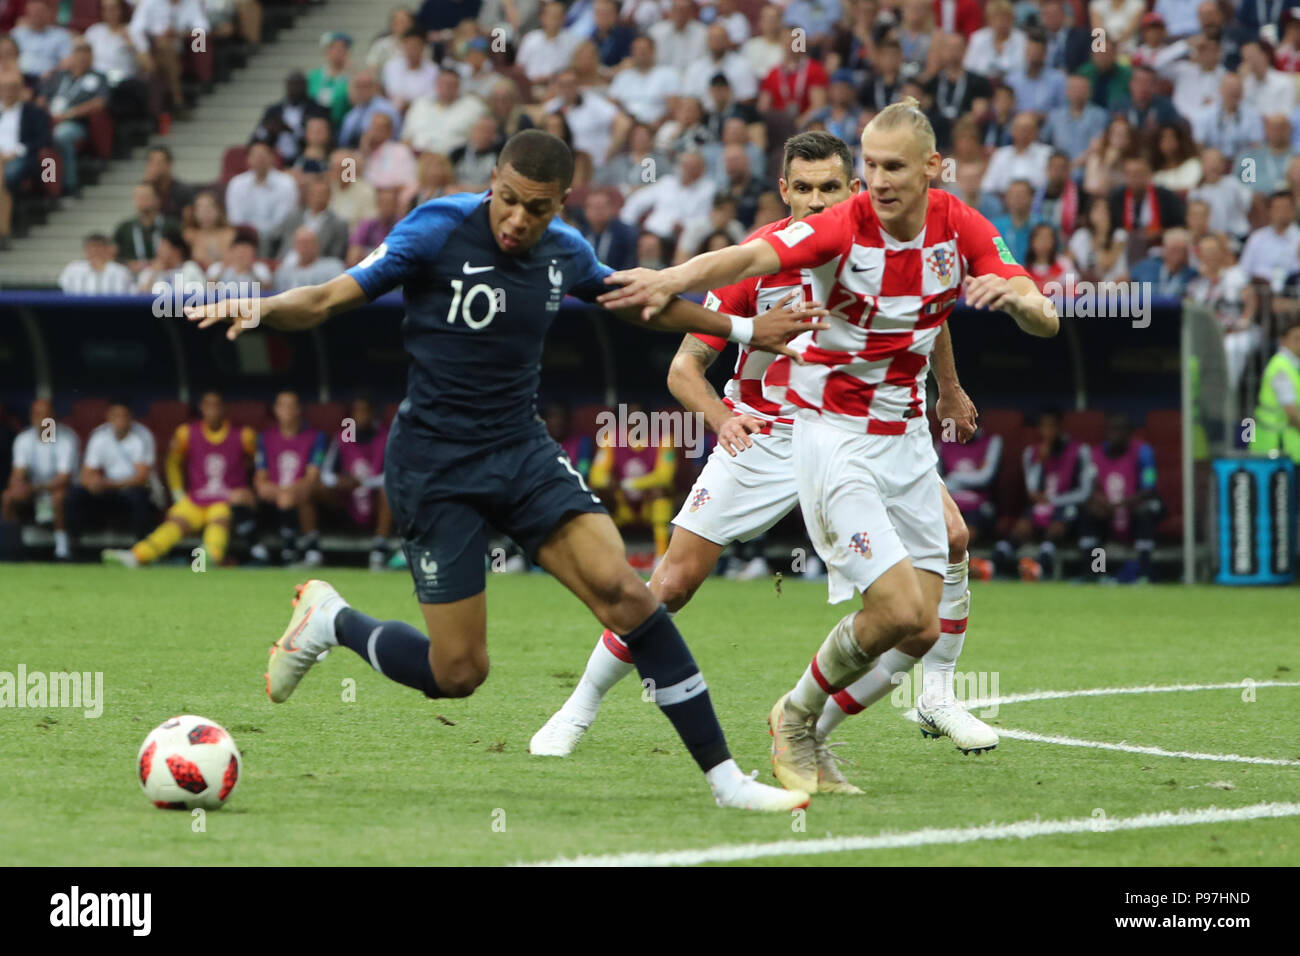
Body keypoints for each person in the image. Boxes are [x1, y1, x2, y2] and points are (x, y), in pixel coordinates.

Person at [185, 129, 820, 813]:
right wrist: (261, 305)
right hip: (434, 465)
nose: (519, 220)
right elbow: (330, 298)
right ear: (492, 181)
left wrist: (749, 333)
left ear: (561, 203)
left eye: (538, 208)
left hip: (519, 451)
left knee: (627, 595)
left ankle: (726, 782)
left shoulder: (565, 251)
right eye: (508, 200)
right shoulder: (436, 228)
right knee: (458, 673)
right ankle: (332, 622)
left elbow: (643, 304)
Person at [596, 99, 1059, 792]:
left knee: (921, 628)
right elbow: (750, 253)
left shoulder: (959, 226)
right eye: (869, 165)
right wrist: (669, 277)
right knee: (898, 609)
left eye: (893, 166)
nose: (878, 179)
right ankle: (797, 722)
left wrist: (1019, 300)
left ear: (933, 167)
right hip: (832, 437)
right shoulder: (842, 226)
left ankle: (810, 719)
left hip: (904, 441)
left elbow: (1044, 317)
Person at [102, 391, 256, 567]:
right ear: (201, 407)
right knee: (174, 525)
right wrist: (177, 491)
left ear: (223, 408)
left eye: (216, 405)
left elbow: (256, 464)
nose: (212, 410)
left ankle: (209, 558)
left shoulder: (244, 435)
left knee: (218, 523)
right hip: (196, 498)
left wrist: (248, 489)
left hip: (225, 498)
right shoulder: (187, 433)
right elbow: (173, 463)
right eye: (208, 405)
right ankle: (137, 556)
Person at [993, 408, 1093, 580]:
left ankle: (1041, 567)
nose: (1048, 431)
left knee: (1058, 527)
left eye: (1052, 426)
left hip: (1067, 505)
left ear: (1061, 427)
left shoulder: (1080, 451)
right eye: (1044, 427)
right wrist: (1040, 460)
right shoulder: (1031, 453)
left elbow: (1085, 492)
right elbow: (1032, 491)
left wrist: (1054, 500)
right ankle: (996, 566)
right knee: (1021, 527)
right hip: (1041, 506)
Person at [1081, 412, 1163, 582]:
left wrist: (1123, 504)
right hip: (1108, 512)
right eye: (1111, 429)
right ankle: (1097, 572)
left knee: (1146, 511)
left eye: (1120, 429)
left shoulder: (1144, 452)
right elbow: (1090, 486)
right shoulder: (1094, 455)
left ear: (1129, 433)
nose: (1115, 434)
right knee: (1090, 514)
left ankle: (1144, 573)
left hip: (1133, 510)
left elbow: (1150, 488)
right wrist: (1100, 501)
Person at [318, 395, 394, 571]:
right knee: (319, 489)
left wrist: (364, 482)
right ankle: (311, 549)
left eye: (364, 411)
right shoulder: (346, 435)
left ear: (373, 413)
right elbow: (326, 474)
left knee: (388, 491)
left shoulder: (385, 435)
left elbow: (394, 474)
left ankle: (379, 549)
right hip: (347, 498)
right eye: (356, 412)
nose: (361, 416)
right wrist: (340, 481)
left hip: (375, 498)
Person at [67, 400, 156, 547]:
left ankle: (141, 550)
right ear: (108, 417)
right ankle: (73, 547)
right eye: (116, 416)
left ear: (131, 418)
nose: (120, 420)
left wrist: (107, 483)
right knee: (75, 494)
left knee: (138, 496)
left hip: (133, 488)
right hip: (109, 490)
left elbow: (141, 478)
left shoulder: (142, 436)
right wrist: (93, 482)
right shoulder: (99, 435)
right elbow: (86, 473)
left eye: (124, 416)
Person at [252, 391, 326, 566]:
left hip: (303, 490)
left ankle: (309, 549)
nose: (287, 410)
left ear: (299, 410)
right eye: (282, 406)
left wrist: (288, 493)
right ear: (276, 410)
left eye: (291, 406)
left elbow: (312, 476)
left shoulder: (316, 436)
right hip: (275, 493)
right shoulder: (265, 437)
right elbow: (261, 477)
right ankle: (257, 548)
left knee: (307, 490)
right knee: (251, 494)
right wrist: (279, 492)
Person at [2, 397, 80, 560]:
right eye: (38, 414)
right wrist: (18, 484)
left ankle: (62, 550)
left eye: (46, 415)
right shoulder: (24, 439)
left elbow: (64, 478)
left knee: (58, 496)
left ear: (54, 417)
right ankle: (10, 549)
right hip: (35, 489)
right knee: (8, 497)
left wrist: (34, 488)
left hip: (64, 490)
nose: (42, 419)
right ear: (31, 417)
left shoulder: (67, 438)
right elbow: (17, 473)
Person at [1249, 315, 1300, 461]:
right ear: (1283, 341)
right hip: (1274, 447)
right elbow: (1291, 412)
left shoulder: (1293, 366)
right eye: (1296, 339)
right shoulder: (1281, 368)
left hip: (1286, 448)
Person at [60, 233, 134, 294]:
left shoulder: (120, 271)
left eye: (99, 247)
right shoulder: (73, 269)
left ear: (108, 249)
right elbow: (63, 291)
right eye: (92, 247)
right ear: (86, 250)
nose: (95, 251)